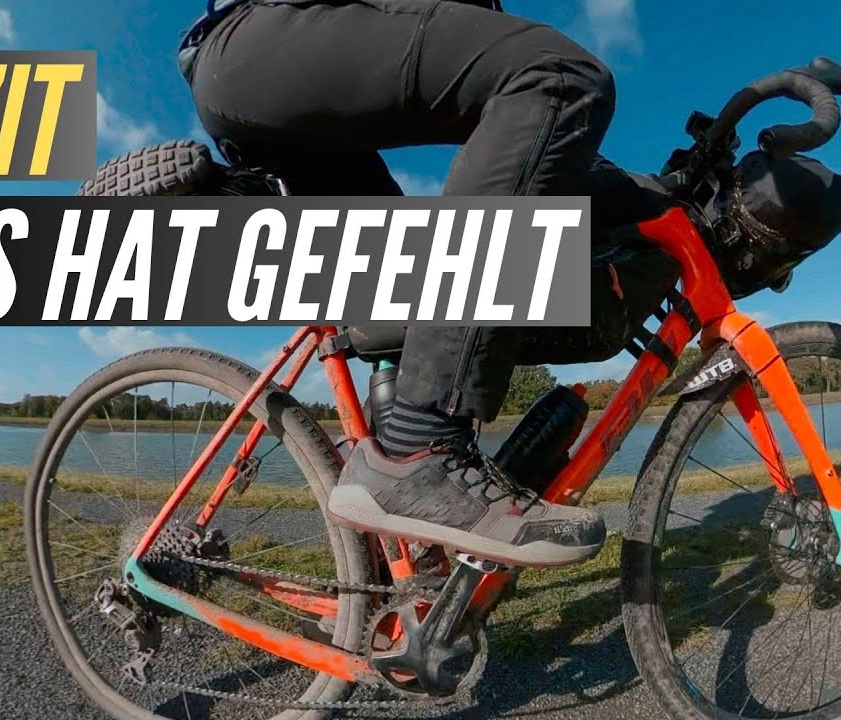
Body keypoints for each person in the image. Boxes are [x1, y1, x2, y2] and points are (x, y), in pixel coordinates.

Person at [180, 0, 638, 567]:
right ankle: (421, 443)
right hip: (262, 38)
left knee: (405, 294)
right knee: (557, 78)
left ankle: (400, 557)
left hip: (261, 88)